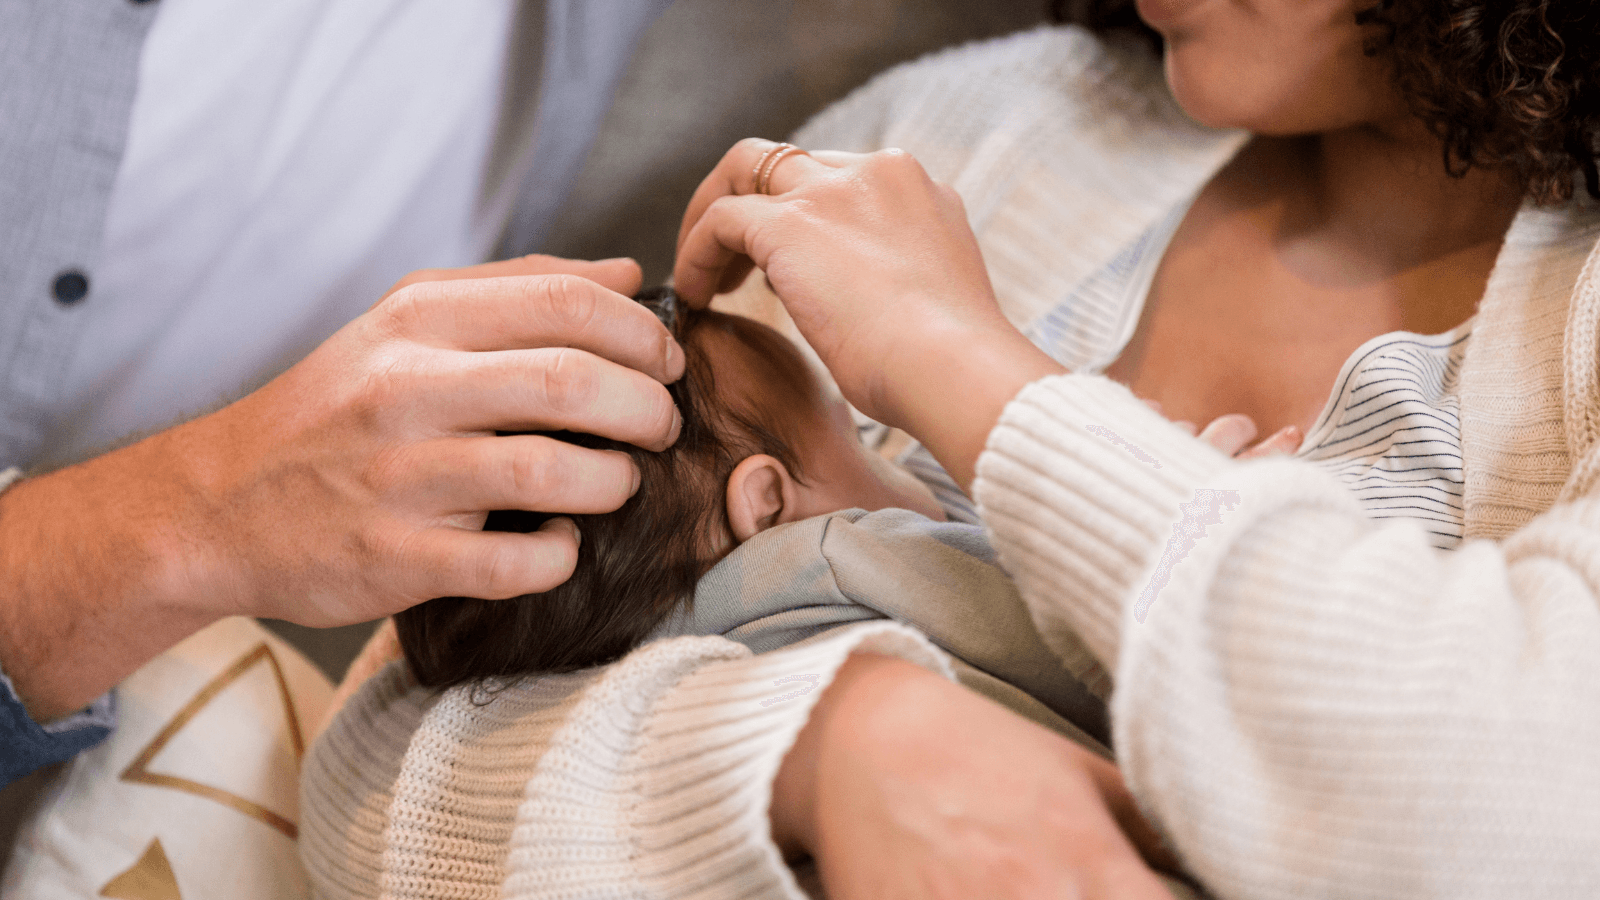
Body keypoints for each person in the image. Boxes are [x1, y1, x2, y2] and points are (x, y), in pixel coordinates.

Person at [308, 0, 1600, 897]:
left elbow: (1536, 811)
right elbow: (394, 749)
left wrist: (961, 362)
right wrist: (830, 748)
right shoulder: (982, 128)